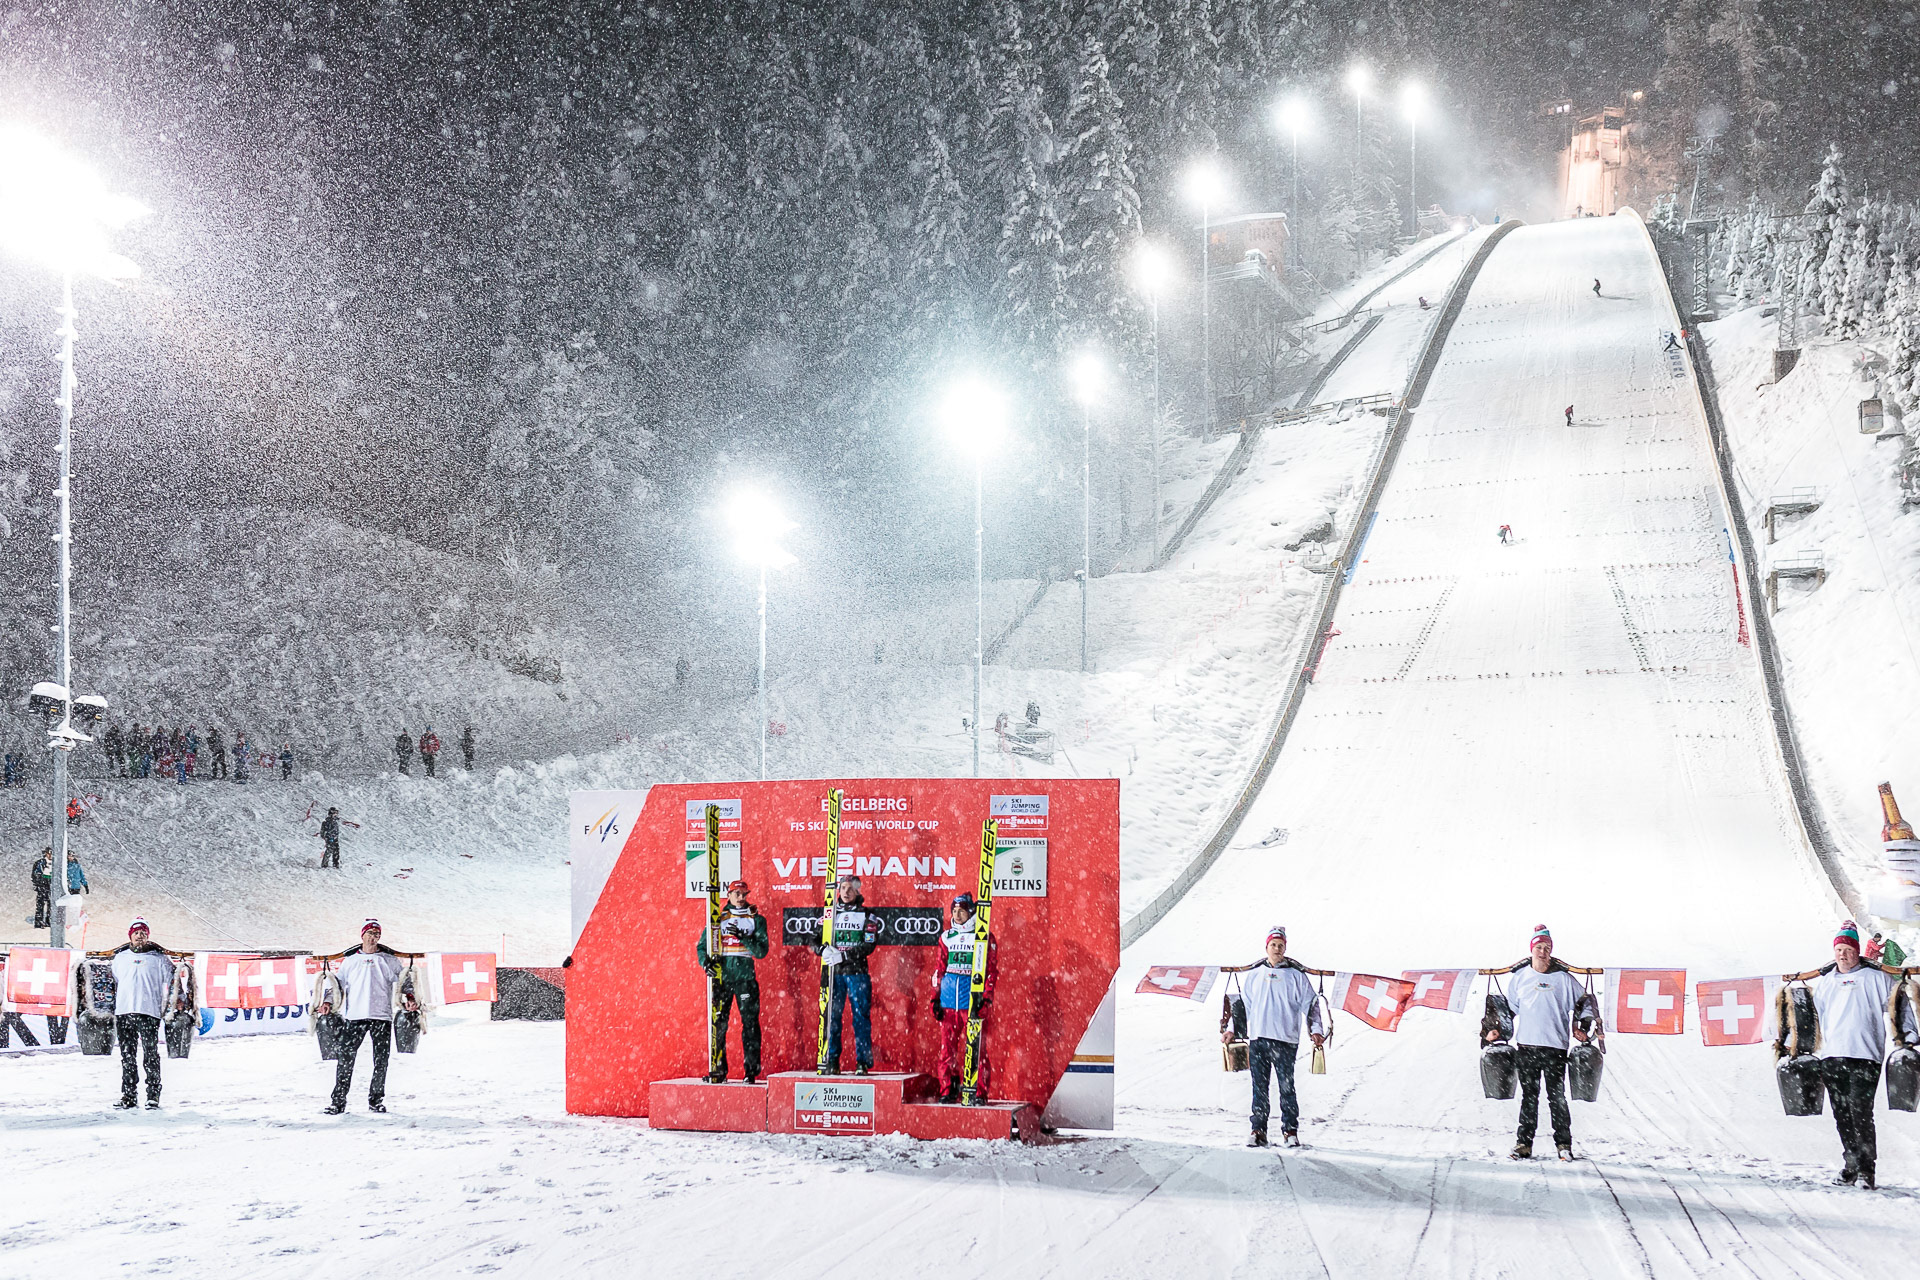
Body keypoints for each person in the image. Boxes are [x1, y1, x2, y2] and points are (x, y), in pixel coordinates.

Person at [1813, 921, 1914, 1188]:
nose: (1842, 954)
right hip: (1832, 1056)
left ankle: (1866, 1170)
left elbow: (1899, 1005)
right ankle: (1851, 1165)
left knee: (1861, 1111)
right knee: (1842, 1113)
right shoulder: (1825, 983)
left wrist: (1909, 1037)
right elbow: (1815, 1020)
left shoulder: (1876, 978)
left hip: (1865, 1056)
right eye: (1838, 950)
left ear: (1857, 951)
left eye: (1847, 949)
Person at [1489, 924, 1591, 1161]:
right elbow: (1511, 1011)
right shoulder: (1520, 978)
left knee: (1557, 1098)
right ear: (1531, 949)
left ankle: (1563, 1145)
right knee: (1529, 1097)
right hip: (1526, 1047)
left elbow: (1585, 1002)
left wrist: (1581, 1027)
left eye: (1547, 948)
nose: (1543, 952)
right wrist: (1497, 1031)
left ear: (1551, 950)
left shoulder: (1564, 979)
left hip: (1555, 1047)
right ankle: (1524, 1144)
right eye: (1539, 947)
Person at [1225, 926, 1326, 1148]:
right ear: (1267, 947)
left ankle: (1290, 1131)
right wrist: (1232, 1028)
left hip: (1285, 1040)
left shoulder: (1296, 976)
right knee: (1258, 1088)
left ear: (1285, 948)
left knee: (1286, 1088)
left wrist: (1316, 1029)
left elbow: (1311, 1006)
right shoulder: (1254, 975)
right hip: (1258, 1039)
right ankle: (1258, 1130)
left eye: (1280, 945)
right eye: (1273, 944)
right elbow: (1244, 1007)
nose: (1277, 948)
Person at [317, 919, 415, 1114]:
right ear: (362, 935)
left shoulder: (389, 960)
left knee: (381, 1061)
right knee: (345, 1059)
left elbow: (405, 980)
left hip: (382, 1017)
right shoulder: (350, 961)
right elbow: (336, 985)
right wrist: (327, 1001)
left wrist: (410, 997)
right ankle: (338, 1102)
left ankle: (376, 1101)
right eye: (370, 933)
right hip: (355, 1017)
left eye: (377, 934)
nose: (373, 937)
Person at [696, 880, 768, 1083]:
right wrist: (705, 963)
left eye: (744, 893)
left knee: (750, 1025)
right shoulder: (718, 918)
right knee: (718, 1025)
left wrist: (744, 938)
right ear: (728, 895)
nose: (740, 897)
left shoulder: (756, 919)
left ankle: (751, 1072)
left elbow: (762, 952)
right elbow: (702, 947)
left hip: (745, 979)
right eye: (736, 893)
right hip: (722, 979)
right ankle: (718, 1071)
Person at [809, 873, 881, 1075]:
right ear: (837, 891)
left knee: (860, 1017)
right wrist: (822, 950)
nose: (846, 892)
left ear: (858, 890)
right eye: (843, 888)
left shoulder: (868, 915)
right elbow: (814, 939)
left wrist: (845, 955)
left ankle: (862, 1063)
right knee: (831, 1016)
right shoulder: (829, 913)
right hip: (833, 974)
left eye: (850, 888)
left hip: (856, 972)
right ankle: (831, 1060)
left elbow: (869, 944)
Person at [931, 892, 997, 1103]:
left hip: (972, 1003)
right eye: (954, 911)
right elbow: (939, 970)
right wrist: (935, 998)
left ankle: (978, 1092)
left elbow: (990, 973)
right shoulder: (946, 937)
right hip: (949, 1002)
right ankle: (948, 1089)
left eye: (962, 911)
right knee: (947, 1051)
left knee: (976, 1050)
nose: (957, 915)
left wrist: (985, 999)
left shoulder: (984, 936)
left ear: (971, 912)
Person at [109, 918, 179, 1109]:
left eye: (143, 933)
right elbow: (115, 979)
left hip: (149, 1012)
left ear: (148, 936)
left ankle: (153, 1095)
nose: (140, 936)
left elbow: (173, 979)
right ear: (130, 936)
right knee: (127, 1055)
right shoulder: (120, 958)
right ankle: (129, 1096)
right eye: (136, 933)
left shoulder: (159, 959)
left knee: (150, 1054)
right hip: (124, 1012)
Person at [30, 848, 52, 929]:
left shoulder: (55, 863)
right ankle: (39, 922)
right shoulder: (40, 862)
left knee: (51, 904)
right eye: (49, 853)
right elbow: (35, 874)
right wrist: (38, 883)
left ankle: (49, 921)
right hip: (42, 885)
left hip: (51, 885)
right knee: (40, 904)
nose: (50, 855)